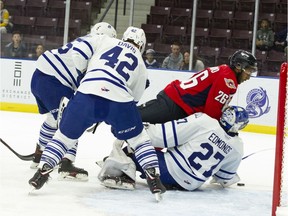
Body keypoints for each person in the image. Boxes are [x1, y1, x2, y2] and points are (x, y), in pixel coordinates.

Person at [28, 26, 166, 200]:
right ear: (142, 45)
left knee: (63, 137)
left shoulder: (105, 40)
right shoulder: (140, 62)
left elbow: (78, 50)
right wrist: (117, 116)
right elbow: (135, 98)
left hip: (88, 93)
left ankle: (40, 174)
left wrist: (83, 74)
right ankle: (154, 180)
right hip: (120, 100)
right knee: (139, 140)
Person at [29, 22, 117, 182]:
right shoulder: (95, 48)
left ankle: (39, 153)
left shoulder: (84, 40)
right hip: (55, 82)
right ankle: (66, 163)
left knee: (52, 118)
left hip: (39, 77)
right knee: (72, 119)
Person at [98, 106, 249, 191]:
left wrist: (143, 130)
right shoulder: (238, 147)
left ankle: (124, 173)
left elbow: (166, 135)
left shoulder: (206, 122)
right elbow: (224, 178)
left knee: (138, 147)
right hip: (191, 185)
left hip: (166, 171)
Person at [139, 50, 257, 124]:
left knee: (158, 138)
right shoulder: (228, 80)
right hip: (176, 104)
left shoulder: (224, 71)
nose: (249, 75)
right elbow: (212, 112)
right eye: (248, 70)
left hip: (178, 104)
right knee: (133, 119)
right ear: (238, 66)